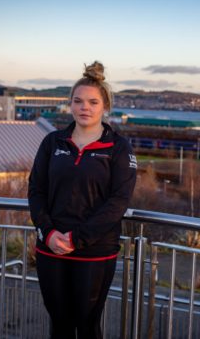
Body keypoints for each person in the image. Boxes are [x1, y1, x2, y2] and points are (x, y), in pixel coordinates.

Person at [28, 61, 137, 339]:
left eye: (92, 102)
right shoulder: (53, 142)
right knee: (60, 325)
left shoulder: (118, 147)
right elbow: (36, 191)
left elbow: (118, 202)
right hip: (50, 248)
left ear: (105, 106)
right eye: (77, 101)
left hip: (95, 251)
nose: (84, 107)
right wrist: (49, 233)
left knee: (87, 326)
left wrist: (77, 239)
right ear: (70, 105)